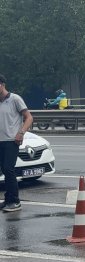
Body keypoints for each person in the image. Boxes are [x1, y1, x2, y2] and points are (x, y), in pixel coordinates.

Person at [0, 74, 34, 212]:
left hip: (11, 141)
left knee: (8, 169)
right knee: (4, 170)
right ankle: (8, 199)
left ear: (2, 84)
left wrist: (21, 133)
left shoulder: (15, 99)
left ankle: (15, 201)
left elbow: (29, 117)